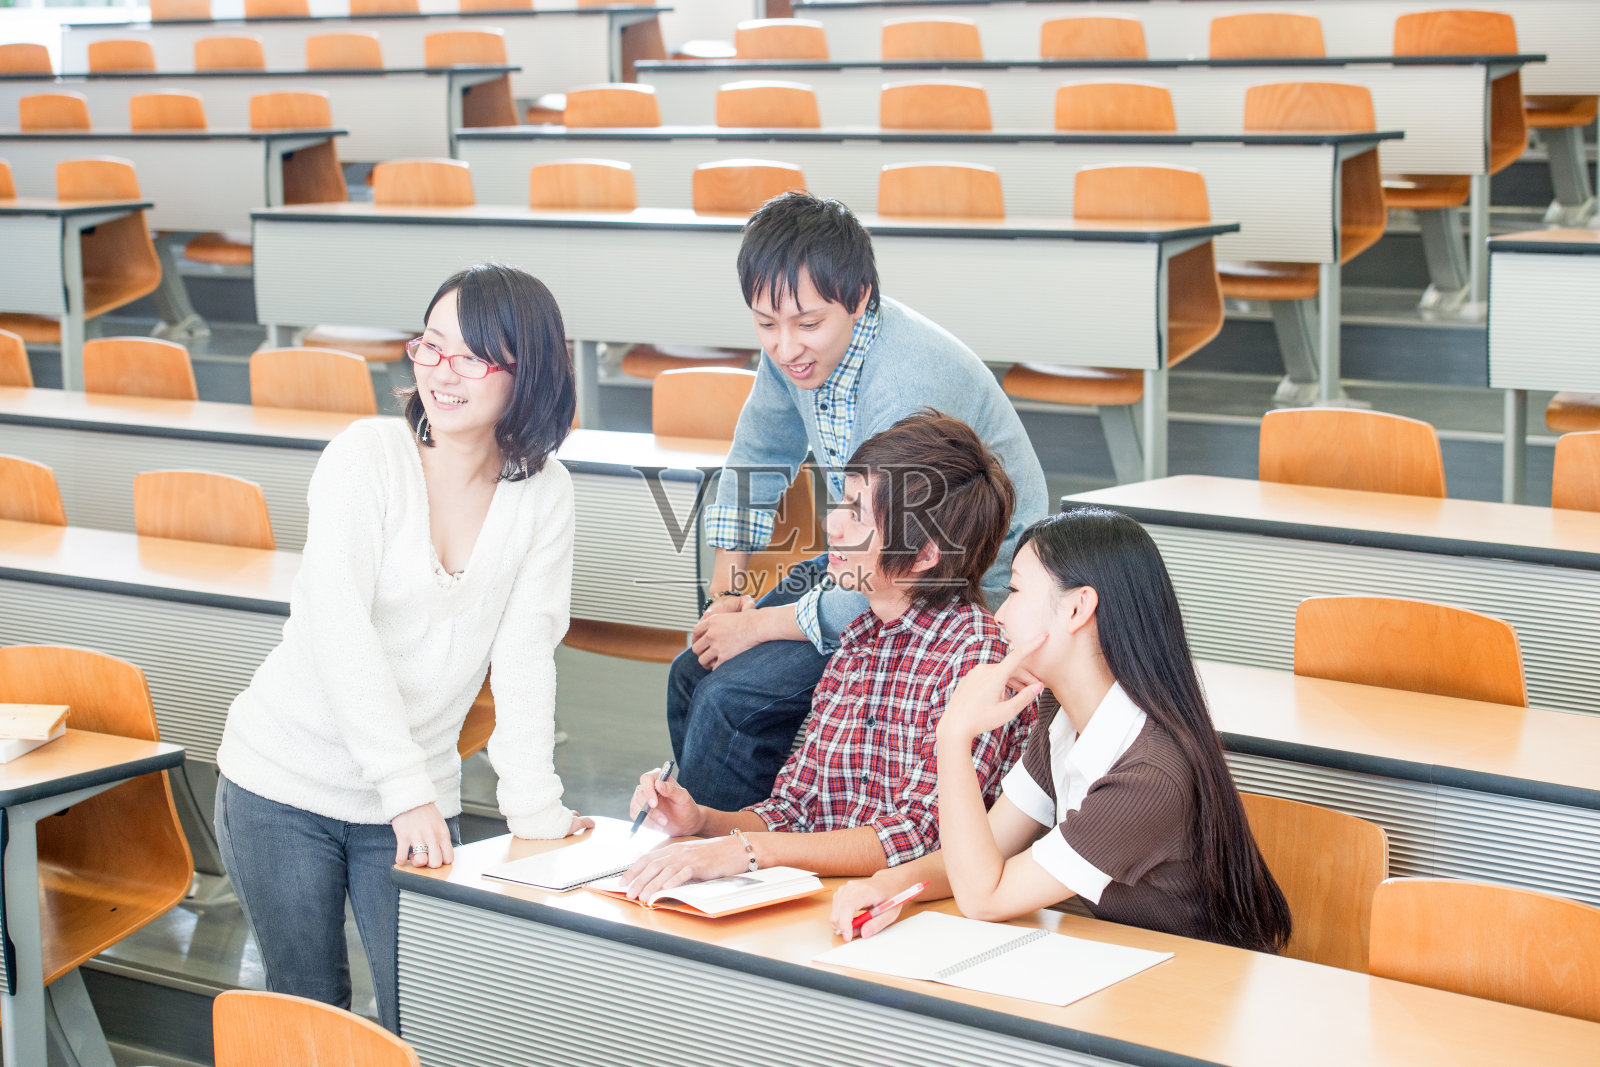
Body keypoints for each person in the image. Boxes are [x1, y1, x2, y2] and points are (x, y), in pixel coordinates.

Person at [213, 264, 591, 1032]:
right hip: (283, 782)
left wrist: (536, 811)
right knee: (311, 1013)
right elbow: (338, 629)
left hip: (416, 798)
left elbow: (525, 658)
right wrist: (405, 789)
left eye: (471, 356)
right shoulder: (367, 455)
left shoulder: (545, 493)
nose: (442, 372)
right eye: (431, 346)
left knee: (425, 1016)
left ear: (528, 372)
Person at [669, 191, 1049, 811]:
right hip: (867, 555)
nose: (786, 346)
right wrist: (726, 598)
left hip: (949, 584)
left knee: (730, 702)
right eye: (766, 324)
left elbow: (896, 570)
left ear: (860, 296)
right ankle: (747, 827)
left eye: (807, 323)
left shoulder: (905, 383)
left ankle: (744, 853)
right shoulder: (795, 351)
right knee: (695, 669)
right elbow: (757, 456)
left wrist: (756, 626)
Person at [829, 507, 1293, 954]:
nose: (999, 616)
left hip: (1194, 985)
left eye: (1014, 590)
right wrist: (887, 885)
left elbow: (984, 897)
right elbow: (981, 854)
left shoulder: (1147, 776)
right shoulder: (1061, 713)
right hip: (1127, 963)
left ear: (1077, 609)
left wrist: (953, 735)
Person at [623, 413, 1034, 899]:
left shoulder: (977, 656)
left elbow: (920, 838)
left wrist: (751, 851)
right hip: (832, 898)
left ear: (925, 555)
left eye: (858, 515)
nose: (831, 524)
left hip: (912, 910)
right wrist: (701, 821)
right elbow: (794, 811)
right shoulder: (859, 640)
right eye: (842, 501)